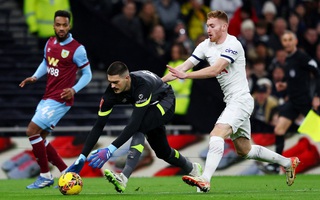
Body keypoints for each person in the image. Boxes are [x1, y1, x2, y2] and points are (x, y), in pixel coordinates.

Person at [162, 10, 300, 193]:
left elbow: (215, 69)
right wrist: (156, 82)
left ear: (224, 27)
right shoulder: (205, 45)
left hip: (241, 100)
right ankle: (288, 162)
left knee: (216, 134)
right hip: (233, 102)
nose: (208, 29)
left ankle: (205, 180)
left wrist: (185, 76)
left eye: (212, 26)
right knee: (245, 150)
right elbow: (182, 68)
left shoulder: (233, 44)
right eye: (207, 26)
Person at [66, 61, 202, 193]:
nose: (112, 86)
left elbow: (134, 124)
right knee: (163, 152)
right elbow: (98, 126)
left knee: (139, 127)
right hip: (150, 106)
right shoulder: (110, 95)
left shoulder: (142, 86)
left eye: (116, 82)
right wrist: (82, 157)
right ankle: (193, 168)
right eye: (110, 82)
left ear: (127, 78)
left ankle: (123, 178)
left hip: (165, 100)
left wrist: (110, 149)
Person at [19, 10, 92, 189]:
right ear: (53, 25)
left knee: (31, 130)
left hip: (60, 99)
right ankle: (66, 171)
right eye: (58, 25)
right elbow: (46, 62)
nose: (61, 28)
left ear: (69, 26)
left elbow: (87, 74)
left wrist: (74, 89)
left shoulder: (77, 48)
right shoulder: (50, 42)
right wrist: (35, 77)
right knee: (40, 136)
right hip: (47, 96)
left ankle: (45, 175)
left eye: (64, 25)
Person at [261, 30, 320, 174]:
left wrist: (317, 96)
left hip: (305, 102)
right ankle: (276, 166)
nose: (287, 42)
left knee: (318, 132)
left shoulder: (302, 57)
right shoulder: (288, 59)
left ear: (295, 42)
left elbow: (318, 73)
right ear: (282, 43)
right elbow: (297, 79)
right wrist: (285, 85)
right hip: (293, 102)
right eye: (285, 40)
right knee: (278, 130)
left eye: (289, 40)